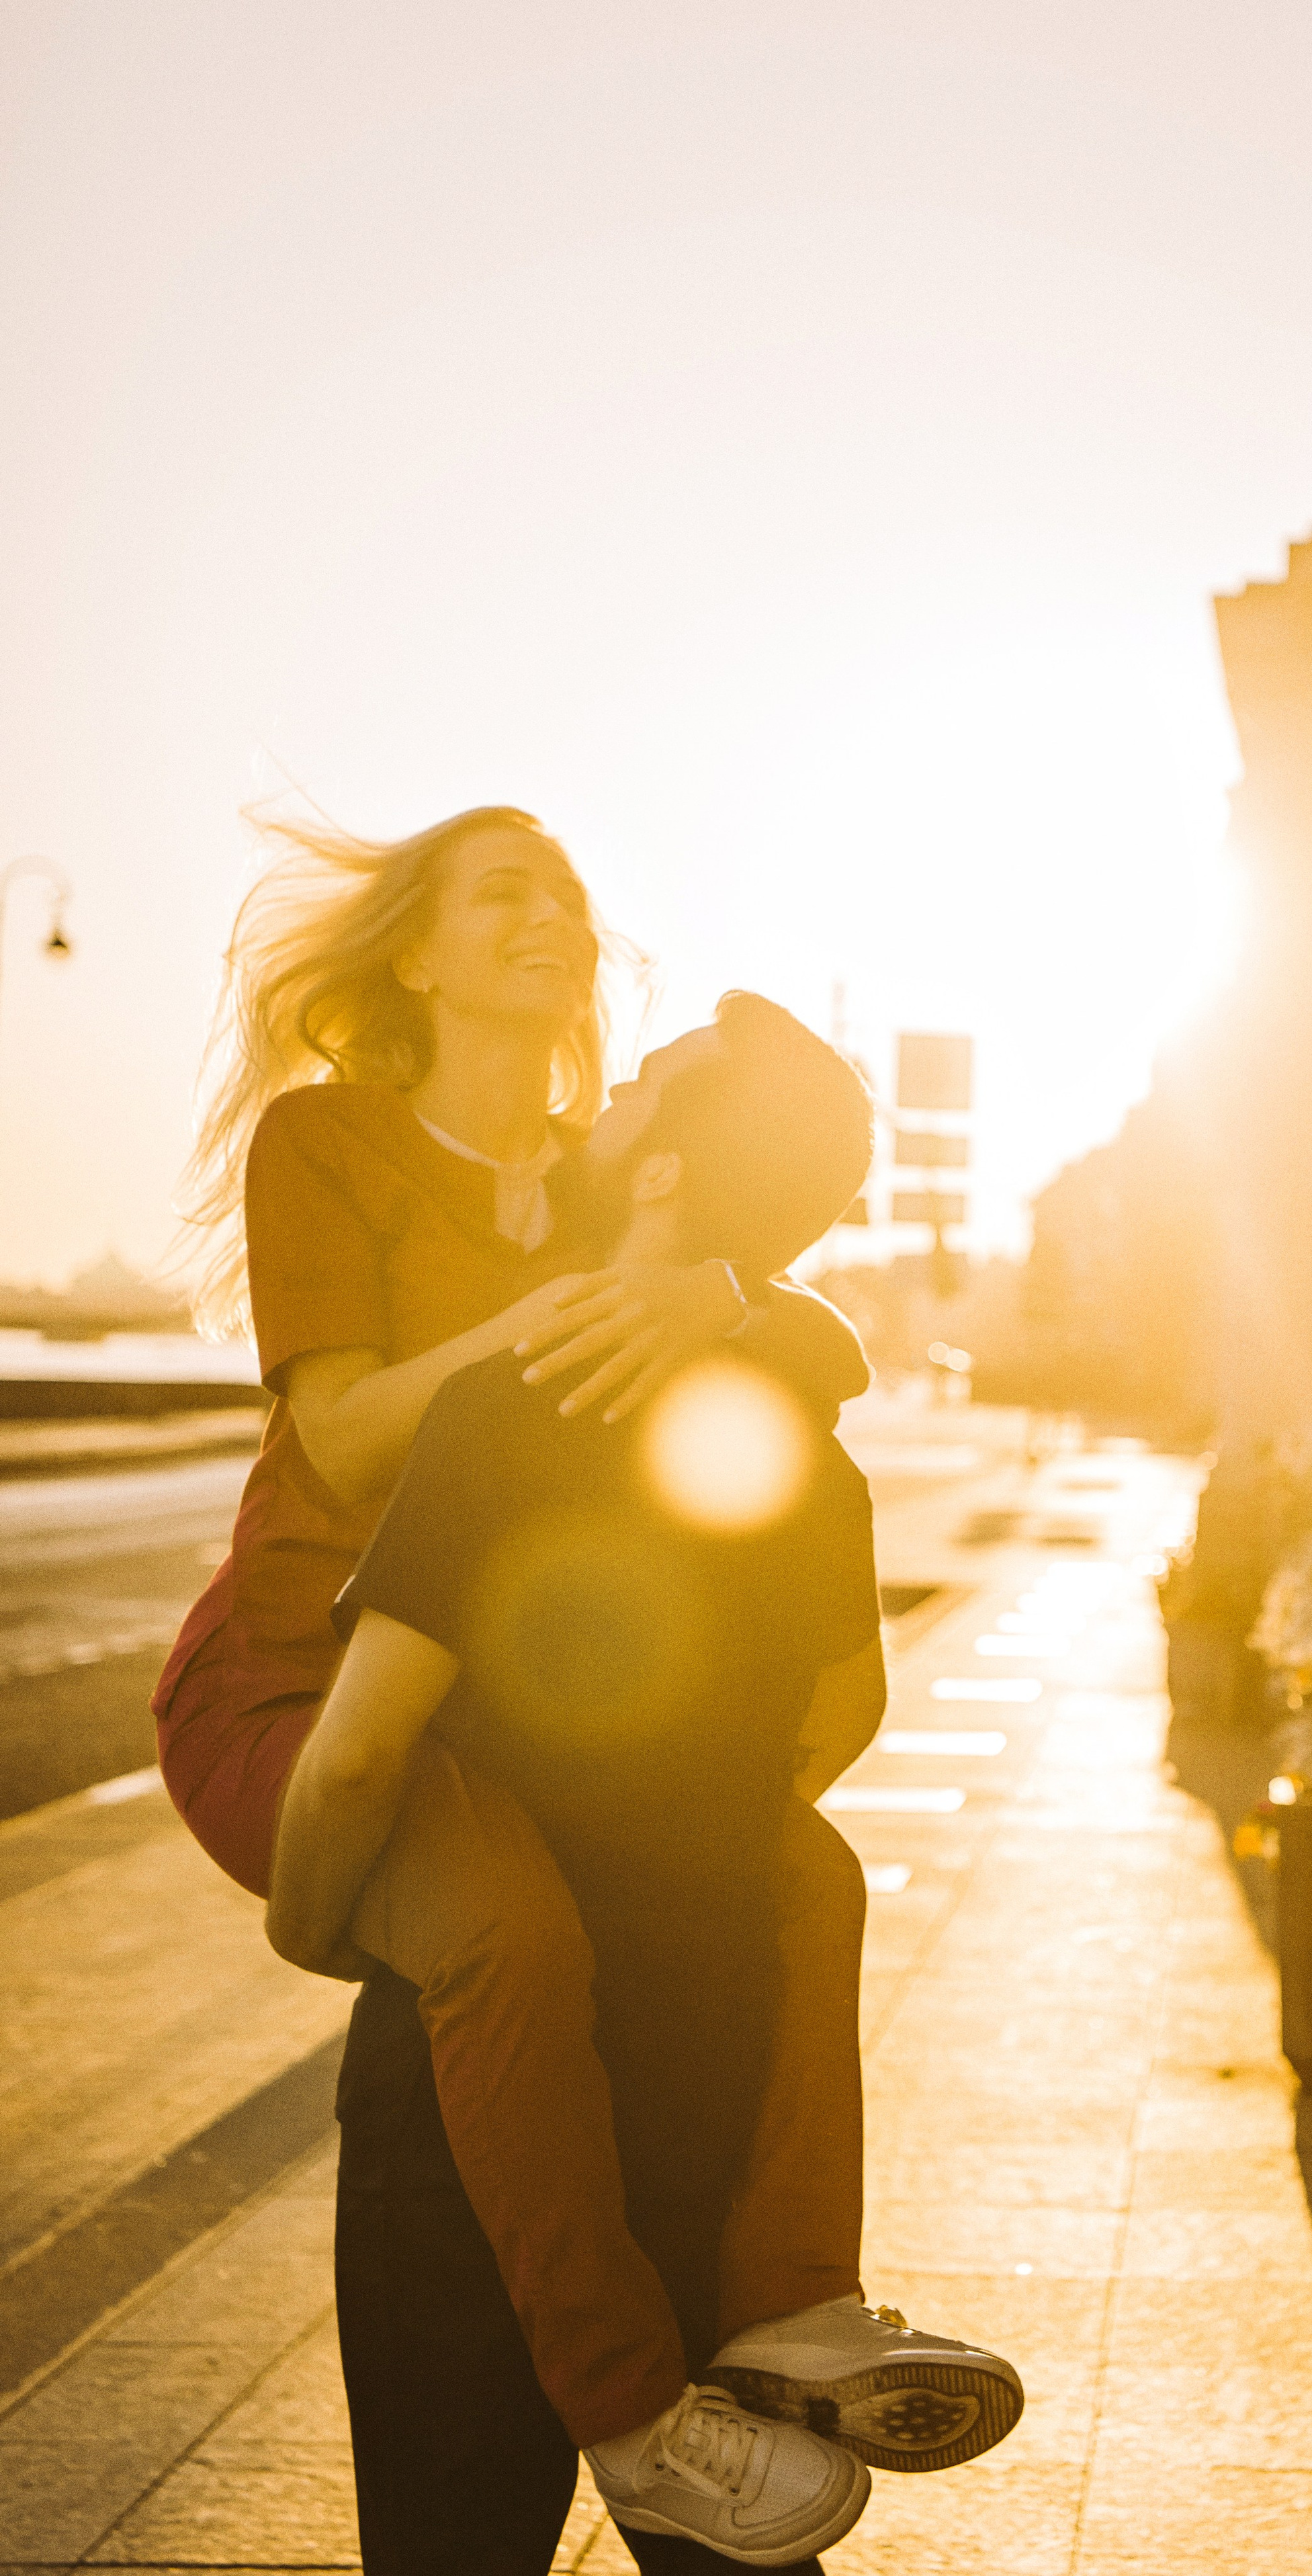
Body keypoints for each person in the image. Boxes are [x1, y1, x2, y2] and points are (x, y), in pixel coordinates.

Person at [267, 995, 1024, 2567]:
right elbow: (842, 1717)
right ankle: (803, 2327)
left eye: (645, 1079)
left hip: (465, 2116)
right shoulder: (807, 1452)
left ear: (666, 1177)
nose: (608, 1085)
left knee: (451, 2541)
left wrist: (313, 1922)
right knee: (734, 2541)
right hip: (712, 2053)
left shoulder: (505, 1413)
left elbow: (351, 1757)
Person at [150, 811, 876, 2450]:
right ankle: (634, 2411)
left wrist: (729, 1304)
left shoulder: (598, 1167)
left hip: (465, 1710)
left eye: (564, 887)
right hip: (297, 1673)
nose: (548, 911)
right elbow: (340, 1445)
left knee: (809, 1873)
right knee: (508, 1937)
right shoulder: (331, 1143)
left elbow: (796, 1312)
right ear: (416, 953)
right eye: (502, 888)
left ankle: (796, 2309)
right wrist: (541, 1335)